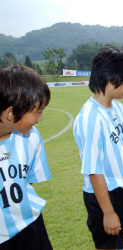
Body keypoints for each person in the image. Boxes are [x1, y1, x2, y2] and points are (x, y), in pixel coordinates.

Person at [73, 46, 123, 250]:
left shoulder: (118, 108)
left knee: (119, 239)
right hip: (103, 195)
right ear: (112, 78)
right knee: (108, 244)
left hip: (122, 188)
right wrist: (108, 212)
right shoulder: (90, 117)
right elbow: (94, 170)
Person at [0, 65, 52, 249]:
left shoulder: (32, 137)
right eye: (37, 111)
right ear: (11, 113)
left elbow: (28, 181)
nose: (41, 118)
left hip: (32, 226)